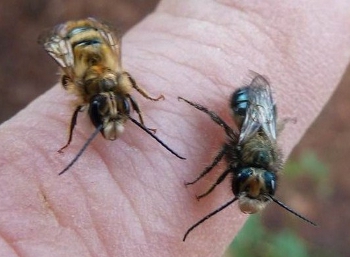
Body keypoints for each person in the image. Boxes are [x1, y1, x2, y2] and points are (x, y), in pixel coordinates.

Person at [0, 1, 349, 256]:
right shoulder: (248, 151)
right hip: (247, 102)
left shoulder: (258, 153)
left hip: (255, 104)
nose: (116, 121)